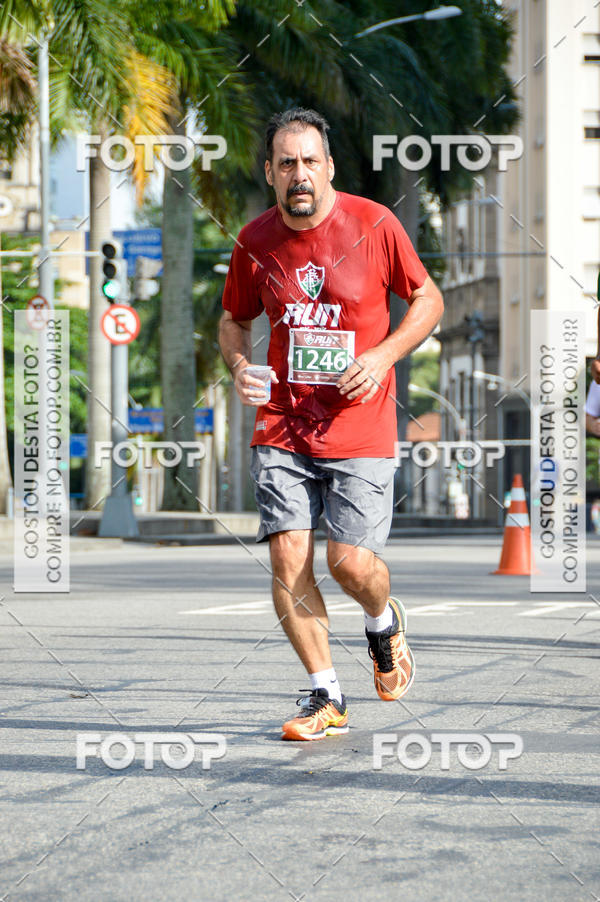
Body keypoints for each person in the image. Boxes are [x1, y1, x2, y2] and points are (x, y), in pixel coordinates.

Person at [218, 108, 444, 741]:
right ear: (269, 172)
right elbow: (233, 320)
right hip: (283, 423)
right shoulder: (254, 241)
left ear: (330, 168)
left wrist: (382, 357)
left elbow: (428, 299)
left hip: (360, 423)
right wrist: (240, 365)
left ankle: (382, 621)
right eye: (286, 162)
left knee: (349, 564)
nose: (300, 174)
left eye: (310, 161)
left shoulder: (374, 224)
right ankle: (326, 695)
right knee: (288, 555)